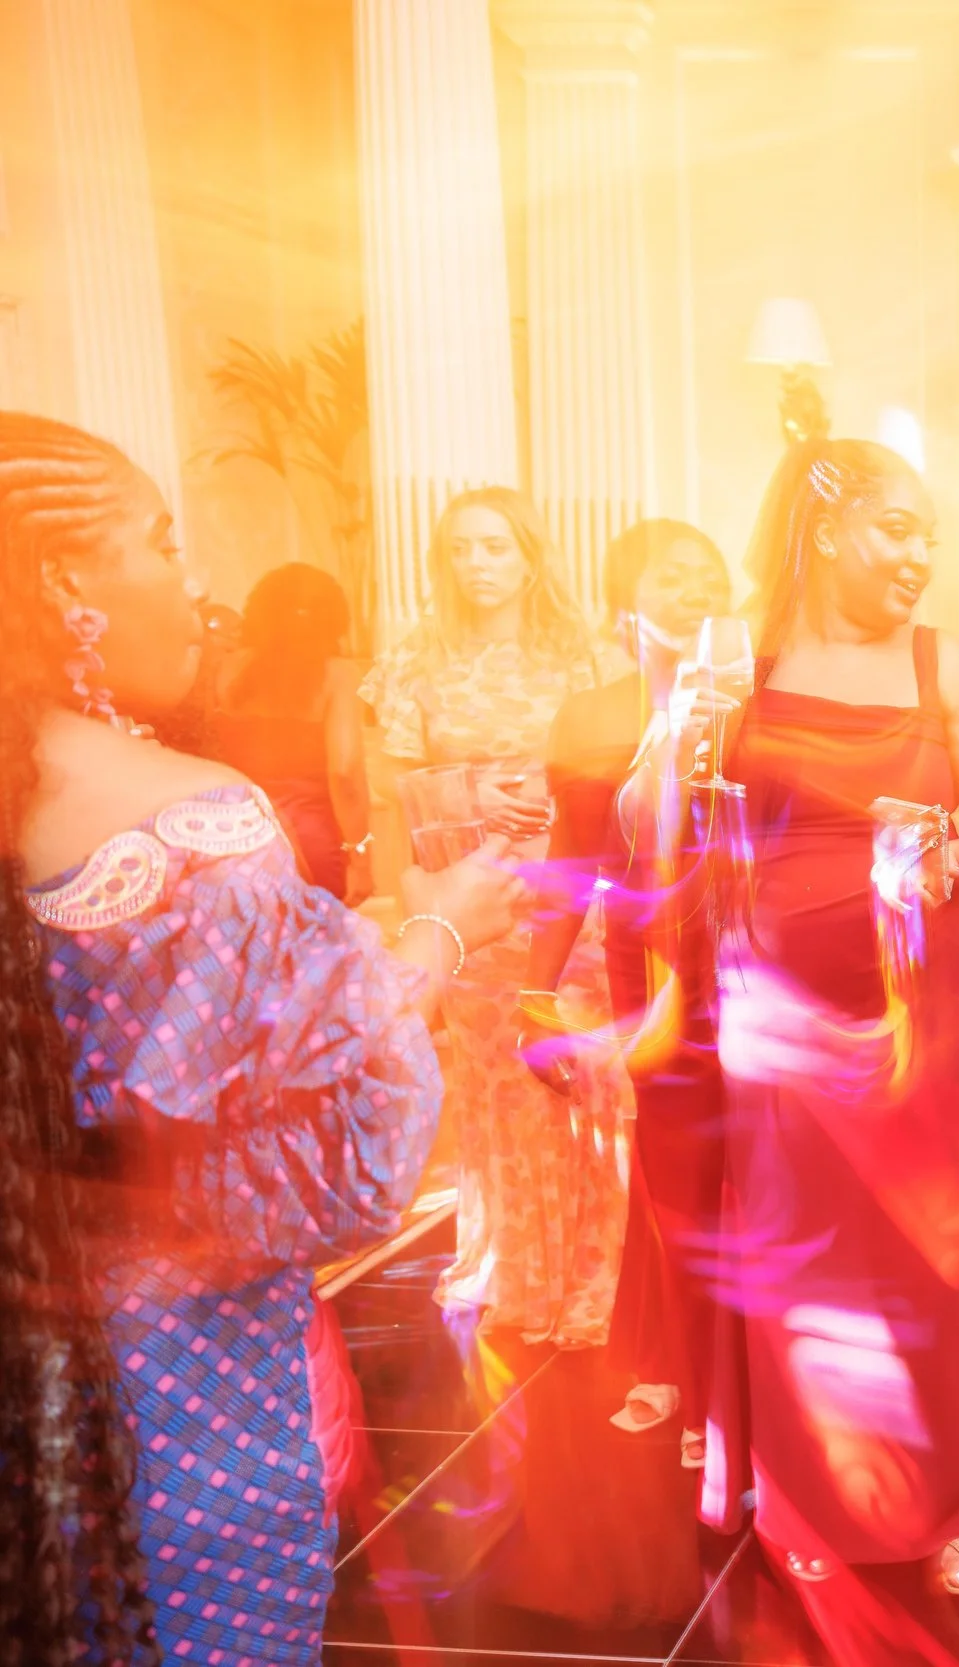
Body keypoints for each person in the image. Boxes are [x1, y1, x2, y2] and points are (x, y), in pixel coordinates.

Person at [0, 411, 523, 1664]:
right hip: (176, 1402)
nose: (193, 585)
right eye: (161, 540)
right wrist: (436, 937)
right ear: (64, 583)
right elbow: (338, 1165)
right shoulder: (191, 828)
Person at [702, 439, 959, 1625]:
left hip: (911, 995)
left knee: (921, 1237)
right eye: (898, 528)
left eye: (930, 534)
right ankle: (813, 1498)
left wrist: (947, 858)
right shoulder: (740, 663)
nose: (920, 554)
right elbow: (678, 827)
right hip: (774, 998)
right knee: (796, 1243)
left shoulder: (946, 665)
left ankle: (955, 1501)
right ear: (826, 526)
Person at [360, 487, 632, 1346]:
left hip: (567, 889)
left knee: (577, 1068)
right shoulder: (414, 661)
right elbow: (383, 789)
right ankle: (518, 1268)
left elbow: (622, 766)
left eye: (494, 546)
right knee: (497, 1085)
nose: (477, 563)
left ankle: (598, 1274)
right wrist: (419, 877)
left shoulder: (584, 656)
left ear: (528, 556)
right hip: (469, 895)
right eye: (461, 548)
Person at [523, 519, 735, 1462]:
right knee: (680, 1169)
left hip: (750, 957)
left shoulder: (755, 702)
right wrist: (535, 998)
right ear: (626, 600)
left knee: (756, 1167)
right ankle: (699, 1386)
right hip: (649, 963)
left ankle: (750, 1382)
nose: (695, 587)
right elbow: (572, 862)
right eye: (672, 573)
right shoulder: (591, 717)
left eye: (708, 572)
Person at [206, 562, 373, 902]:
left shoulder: (226, 668)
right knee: (319, 935)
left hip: (242, 841)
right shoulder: (339, 675)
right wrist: (360, 857)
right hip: (313, 843)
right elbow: (344, 772)